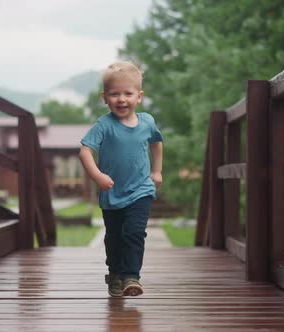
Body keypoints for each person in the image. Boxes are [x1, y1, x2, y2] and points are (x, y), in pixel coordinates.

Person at [79, 61, 163, 297]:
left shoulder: (147, 122)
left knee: (134, 232)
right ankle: (115, 273)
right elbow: (84, 151)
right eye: (115, 94)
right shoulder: (104, 125)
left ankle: (131, 277)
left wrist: (156, 171)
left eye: (128, 93)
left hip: (141, 190)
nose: (122, 99)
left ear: (139, 96)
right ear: (105, 97)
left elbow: (157, 144)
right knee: (114, 237)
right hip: (112, 192)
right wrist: (97, 175)